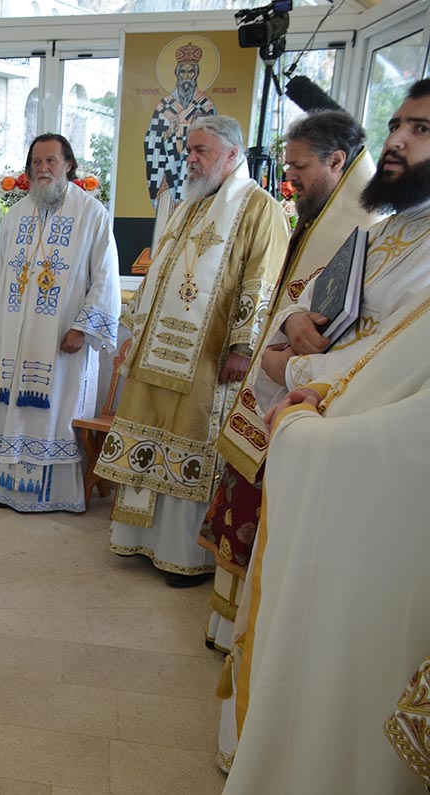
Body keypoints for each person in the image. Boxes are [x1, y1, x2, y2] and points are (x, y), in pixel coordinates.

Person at [211, 79, 430, 779]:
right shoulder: (387, 229)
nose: (396, 140)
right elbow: (305, 303)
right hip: (313, 425)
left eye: (420, 129)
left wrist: (294, 369)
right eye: (397, 124)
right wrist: (292, 327)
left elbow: (396, 358)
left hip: (355, 458)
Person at [222, 280, 430, 793]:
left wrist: (299, 425)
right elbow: (393, 345)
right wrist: (319, 382)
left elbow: (411, 441)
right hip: (320, 400)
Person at [198, 110, 380, 657]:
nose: (290, 178)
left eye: (299, 167)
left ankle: (251, 632)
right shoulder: (317, 213)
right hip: (278, 370)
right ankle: (228, 624)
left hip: (308, 394)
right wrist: (288, 322)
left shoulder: (364, 225)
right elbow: (290, 298)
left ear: (337, 161)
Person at [94, 116, 288, 587]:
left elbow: (262, 281)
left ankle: (182, 554)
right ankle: (141, 540)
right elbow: (160, 274)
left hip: (208, 357)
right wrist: (137, 329)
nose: (191, 159)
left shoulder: (259, 208)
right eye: (190, 150)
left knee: (192, 439)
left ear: (232, 154)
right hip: (156, 353)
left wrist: (243, 346)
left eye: (202, 150)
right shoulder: (189, 206)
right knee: (149, 433)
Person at [0, 133, 121, 512]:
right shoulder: (15, 215)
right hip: (14, 336)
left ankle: (55, 494)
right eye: (36, 162)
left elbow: (105, 277)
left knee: (57, 410)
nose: (43, 169)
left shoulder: (91, 213)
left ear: (68, 165)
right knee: (11, 407)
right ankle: (8, 489)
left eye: (50, 161)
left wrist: (83, 328)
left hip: (62, 340)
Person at [144, 42, 218, 208]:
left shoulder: (205, 106)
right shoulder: (165, 105)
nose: (186, 76)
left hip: (193, 177)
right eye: (183, 71)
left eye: (191, 72)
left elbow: (212, 142)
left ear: (196, 74)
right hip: (167, 172)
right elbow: (151, 140)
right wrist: (166, 134)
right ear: (177, 74)